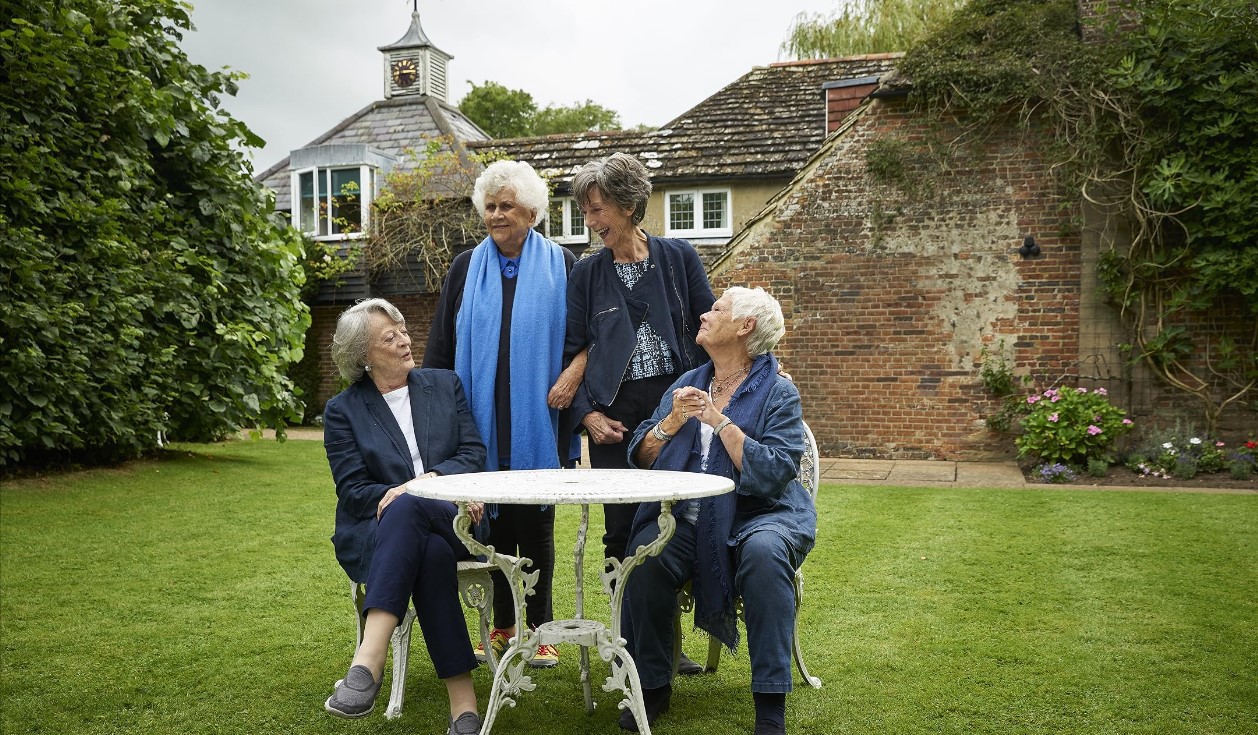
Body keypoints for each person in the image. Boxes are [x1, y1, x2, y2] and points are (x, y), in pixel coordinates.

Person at [619, 287, 816, 735]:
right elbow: (640, 453)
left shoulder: (778, 392)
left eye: (718, 309)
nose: (706, 314)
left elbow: (776, 471)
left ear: (745, 327)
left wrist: (720, 422)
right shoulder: (689, 380)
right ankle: (652, 686)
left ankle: (769, 705)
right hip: (690, 515)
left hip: (762, 513)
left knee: (765, 555)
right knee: (646, 554)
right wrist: (670, 423)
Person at [423, 159, 587, 670]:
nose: (496, 215)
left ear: (533, 213)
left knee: (535, 525)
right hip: (480, 420)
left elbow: (586, 341)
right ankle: (501, 627)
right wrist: (438, 415)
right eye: (489, 206)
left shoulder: (564, 264)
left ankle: (539, 630)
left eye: (506, 206)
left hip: (540, 419)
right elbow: (441, 349)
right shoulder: (464, 267)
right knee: (490, 527)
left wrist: (571, 375)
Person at [322, 298, 488, 735]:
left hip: (455, 519)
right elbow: (355, 492)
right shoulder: (343, 411)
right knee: (428, 553)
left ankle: (367, 660)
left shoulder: (444, 384)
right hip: (382, 532)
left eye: (401, 330)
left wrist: (422, 486)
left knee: (412, 502)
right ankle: (463, 707)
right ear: (363, 357)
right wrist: (405, 495)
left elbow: (473, 454)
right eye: (388, 337)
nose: (403, 341)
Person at [565, 152, 716, 564]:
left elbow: (712, 326)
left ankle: (664, 620)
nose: (591, 223)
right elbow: (570, 351)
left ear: (629, 205)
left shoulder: (678, 257)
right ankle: (621, 624)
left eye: (597, 210)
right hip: (614, 414)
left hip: (675, 402)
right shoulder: (586, 273)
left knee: (680, 516)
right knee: (619, 529)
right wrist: (587, 416)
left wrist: (759, 364)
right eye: (585, 212)